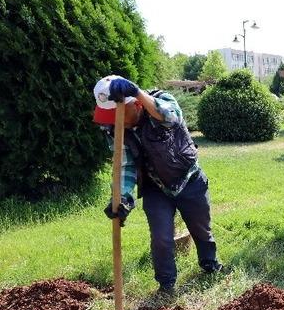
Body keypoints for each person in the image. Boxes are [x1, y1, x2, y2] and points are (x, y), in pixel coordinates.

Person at [92, 75, 222, 296]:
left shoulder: (161, 100)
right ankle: (166, 284)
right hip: (155, 188)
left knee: (201, 229)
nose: (114, 121)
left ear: (136, 104)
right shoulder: (115, 130)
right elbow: (125, 165)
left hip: (189, 181)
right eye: (110, 116)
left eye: (117, 114)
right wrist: (122, 198)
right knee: (161, 237)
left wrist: (137, 92)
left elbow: (172, 117)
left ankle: (210, 264)